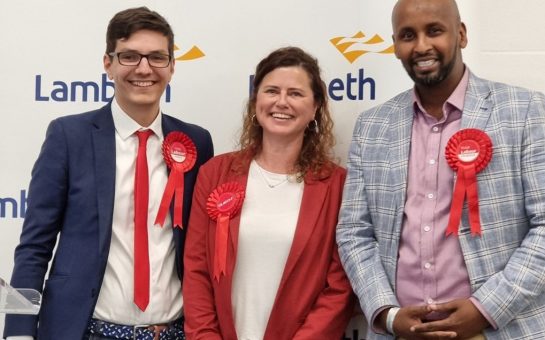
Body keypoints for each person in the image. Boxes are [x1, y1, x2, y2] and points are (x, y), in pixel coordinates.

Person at [336, 0, 545, 339]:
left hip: (500, 329)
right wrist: (388, 314)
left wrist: (485, 308)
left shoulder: (526, 111)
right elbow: (353, 233)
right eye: (408, 35)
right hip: (400, 332)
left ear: (461, 35)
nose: (421, 46)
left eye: (434, 31)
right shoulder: (372, 125)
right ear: (395, 46)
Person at [3, 7, 213, 340]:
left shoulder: (196, 143)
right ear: (108, 64)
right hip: (86, 332)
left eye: (157, 57)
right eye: (129, 56)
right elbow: (35, 245)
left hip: (173, 333)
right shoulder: (68, 136)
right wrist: (18, 331)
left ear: (172, 67)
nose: (144, 68)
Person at [182, 46, 354, 340]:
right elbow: (196, 270)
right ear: (256, 101)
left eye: (296, 94)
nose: (281, 102)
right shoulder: (214, 173)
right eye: (271, 90)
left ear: (315, 107)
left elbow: (338, 288)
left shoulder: (337, 186)